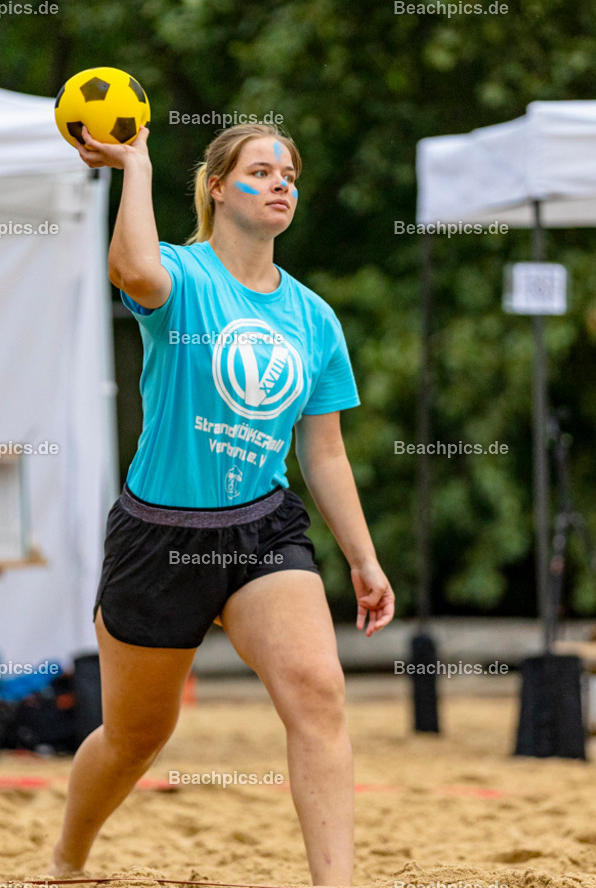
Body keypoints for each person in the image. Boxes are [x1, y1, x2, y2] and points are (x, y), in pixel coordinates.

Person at [50, 121, 395, 887]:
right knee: (135, 738)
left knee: (316, 690)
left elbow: (324, 451)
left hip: (260, 528)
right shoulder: (180, 278)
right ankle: (68, 858)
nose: (281, 184)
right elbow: (129, 265)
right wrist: (133, 162)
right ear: (215, 187)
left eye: (289, 175)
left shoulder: (313, 318)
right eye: (261, 171)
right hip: (157, 535)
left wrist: (363, 559)